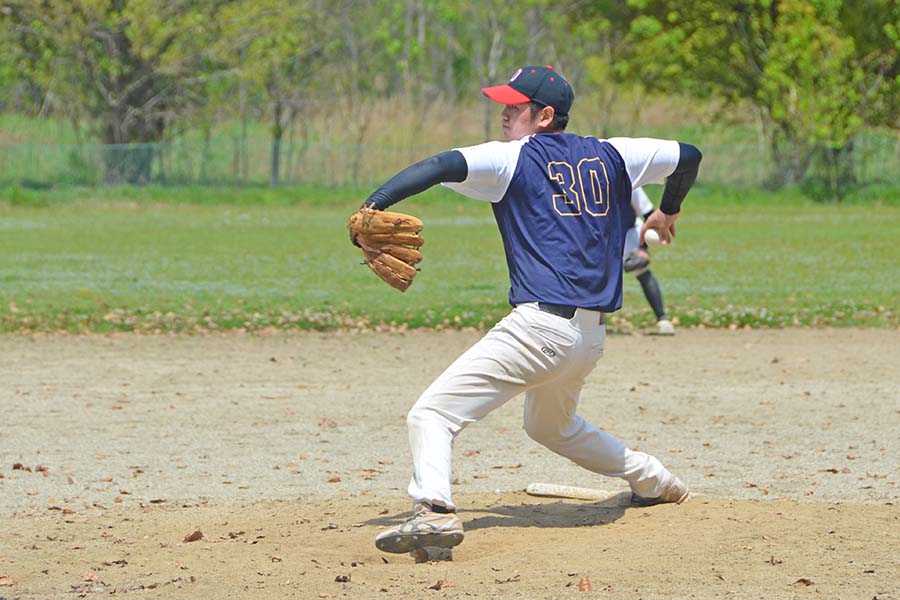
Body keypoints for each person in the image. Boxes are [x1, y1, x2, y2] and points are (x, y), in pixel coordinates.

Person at [355, 65, 702, 554]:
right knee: (550, 427)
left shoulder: (511, 158)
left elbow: (437, 166)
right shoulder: (615, 153)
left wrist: (375, 203)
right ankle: (654, 479)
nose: (504, 113)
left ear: (543, 116)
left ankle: (433, 511)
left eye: (514, 107)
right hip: (588, 338)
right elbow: (689, 155)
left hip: (538, 330)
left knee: (431, 414)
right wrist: (668, 209)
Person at [624, 187, 676, 335]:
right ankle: (594, 319)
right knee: (600, 274)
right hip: (603, 234)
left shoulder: (630, 181)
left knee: (640, 270)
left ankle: (662, 318)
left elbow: (649, 214)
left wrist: (643, 248)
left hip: (630, 231)